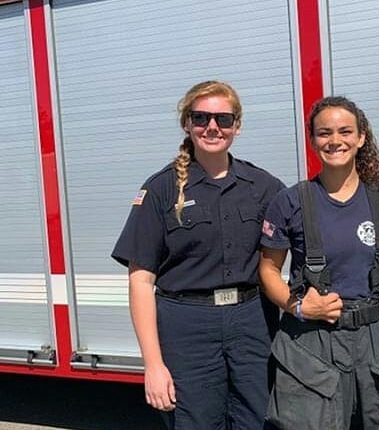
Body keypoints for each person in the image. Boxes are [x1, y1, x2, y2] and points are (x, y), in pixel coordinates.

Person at [111, 80, 284, 429]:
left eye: (223, 118)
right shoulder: (160, 190)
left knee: (259, 420)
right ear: (187, 124)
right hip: (186, 324)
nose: (212, 127)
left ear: (237, 125)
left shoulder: (263, 186)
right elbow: (141, 282)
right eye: (201, 117)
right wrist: (153, 365)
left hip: (252, 320)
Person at [259, 96, 379, 430]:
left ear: (361, 137)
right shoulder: (290, 201)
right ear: (312, 139)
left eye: (345, 131)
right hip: (314, 341)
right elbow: (267, 270)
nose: (335, 140)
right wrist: (299, 307)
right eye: (324, 133)